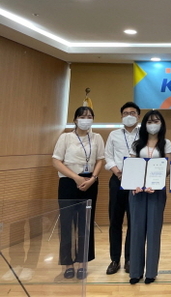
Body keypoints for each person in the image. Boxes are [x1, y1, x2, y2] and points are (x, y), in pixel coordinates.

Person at [52, 106, 105, 280]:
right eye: (82, 116)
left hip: (90, 183)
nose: (86, 119)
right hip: (68, 182)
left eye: (89, 116)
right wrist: (76, 177)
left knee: (85, 224)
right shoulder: (65, 137)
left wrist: (93, 178)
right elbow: (56, 161)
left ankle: (83, 263)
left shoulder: (97, 137)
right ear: (75, 120)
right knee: (67, 224)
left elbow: (100, 159)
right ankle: (68, 263)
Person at [127, 110, 171, 284]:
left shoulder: (166, 143)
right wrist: (136, 183)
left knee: (153, 230)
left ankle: (151, 273)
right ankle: (135, 272)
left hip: (156, 191)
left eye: (156, 121)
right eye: (150, 121)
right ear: (144, 124)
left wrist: (156, 181)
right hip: (137, 191)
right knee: (136, 230)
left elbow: (168, 167)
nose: (153, 124)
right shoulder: (136, 144)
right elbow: (132, 166)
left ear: (162, 124)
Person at [104, 102, 140, 275]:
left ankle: (130, 259)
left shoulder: (144, 134)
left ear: (138, 116)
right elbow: (108, 156)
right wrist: (117, 172)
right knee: (115, 221)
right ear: (121, 116)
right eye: (125, 113)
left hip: (137, 182)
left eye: (132, 113)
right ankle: (114, 259)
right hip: (117, 180)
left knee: (133, 221)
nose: (129, 115)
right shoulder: (114, 134)